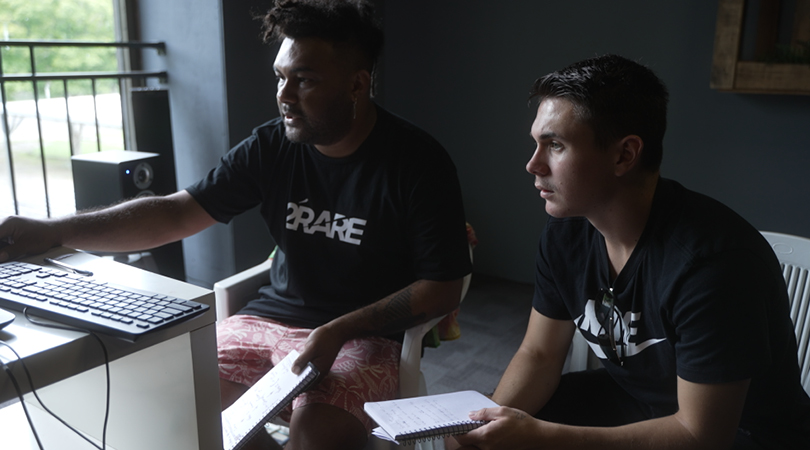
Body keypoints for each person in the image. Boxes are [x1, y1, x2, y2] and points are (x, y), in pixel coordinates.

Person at [0, 1, 471, 449]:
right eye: (280, 77)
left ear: (356, 84)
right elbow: (177, 212)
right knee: (175, 403)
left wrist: (336, 329)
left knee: (315, 434)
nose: (284, 96)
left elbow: (442, 288)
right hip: (266, 319)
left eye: (304, 80)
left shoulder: (417, 162)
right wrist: (54, 230)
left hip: (363, 337)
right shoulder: (271, 146)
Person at [451, 55, 810, 450]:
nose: (532, 164)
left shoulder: (714, 266)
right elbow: (539, 354)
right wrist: (486, 432)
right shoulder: (566, 233)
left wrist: (541, 437)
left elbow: (701, 435)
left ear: (624, 155)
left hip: (743, 436)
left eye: (555, 145)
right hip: (641, 401)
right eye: (537, 143)